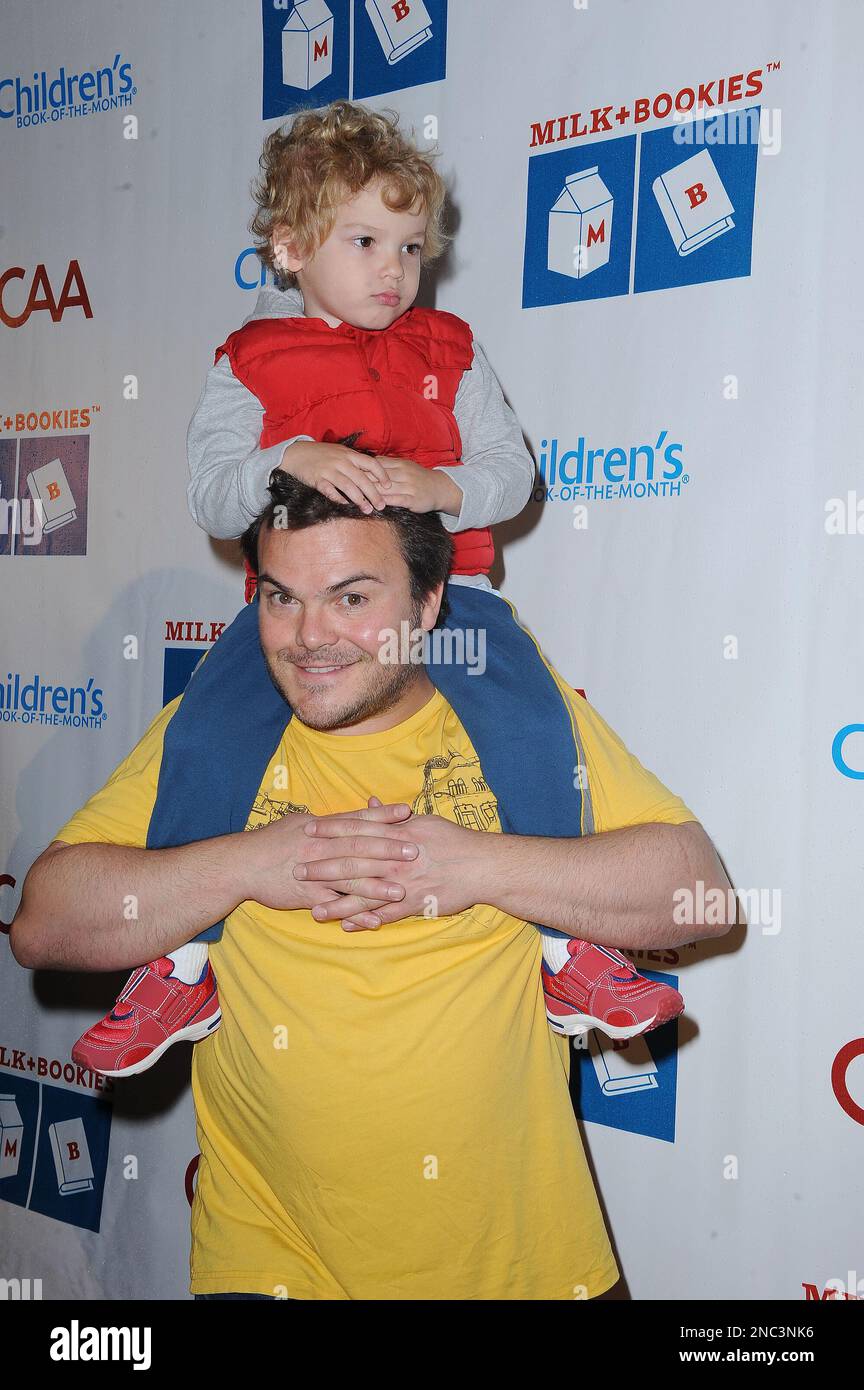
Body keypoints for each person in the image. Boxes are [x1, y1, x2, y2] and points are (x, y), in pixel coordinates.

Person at [68, 99, 687, 1077]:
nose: (394, 271)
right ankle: (179, 963)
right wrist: (290, 456)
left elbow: (510, 473)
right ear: (287, 245)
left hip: (455, 602)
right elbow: (213, 488)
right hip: (292, 608)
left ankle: (573, 953)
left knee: (532, 730)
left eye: (409, 246)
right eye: (365, 241)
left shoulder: (450, 349)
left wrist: (443, 487)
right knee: (207, 735)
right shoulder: (252, 362)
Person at [10, 478, 732, 1300]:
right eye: (282, 599)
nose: (309, 636)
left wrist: (477, 867)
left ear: (427, 606)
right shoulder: (211, 737)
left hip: (527, 1267)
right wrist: (247, 864)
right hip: (272, 1261)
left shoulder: (525, 727)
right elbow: (44, 922)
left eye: (351, 597)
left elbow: (698, 894)